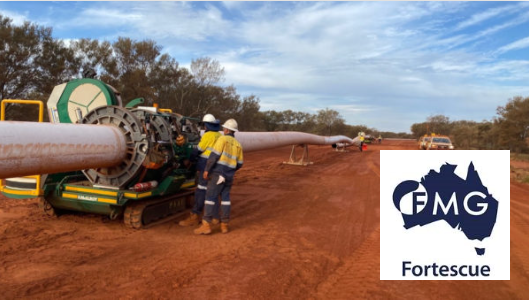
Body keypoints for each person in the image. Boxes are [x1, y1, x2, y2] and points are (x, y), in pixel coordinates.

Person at [194, 118, 243, 235]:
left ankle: (206, 225)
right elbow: (240, 163)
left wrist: (207, 170)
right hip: (229, 176)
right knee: (225, 199)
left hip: (218, 174)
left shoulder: (222, 139)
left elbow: (214, 156)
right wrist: (230, 170)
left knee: (210, 197)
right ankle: (224, 225)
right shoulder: (238, 144)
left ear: (226, 129)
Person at [179, 114, 221, 227]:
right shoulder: (219, 135)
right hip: (217, 166)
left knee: (201, 190)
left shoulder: (208, 136)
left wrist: (190, 159)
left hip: (205, 166)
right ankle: (215, 217)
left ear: (206, 126)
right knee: (213, 191)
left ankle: (195, 215)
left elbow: (198, 149)